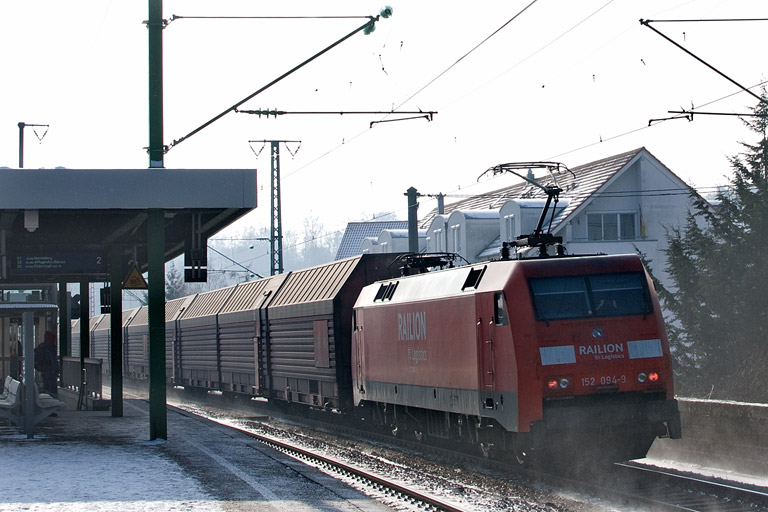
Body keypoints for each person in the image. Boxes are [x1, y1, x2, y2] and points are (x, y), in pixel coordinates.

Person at [34, 331, 59, 396]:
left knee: (48, 387)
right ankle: (51, 397)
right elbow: (53, 361)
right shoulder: (49, 349)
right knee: (51, 387)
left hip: (47, 371)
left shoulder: (42, 347)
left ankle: (49, 396)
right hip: (48, 371)